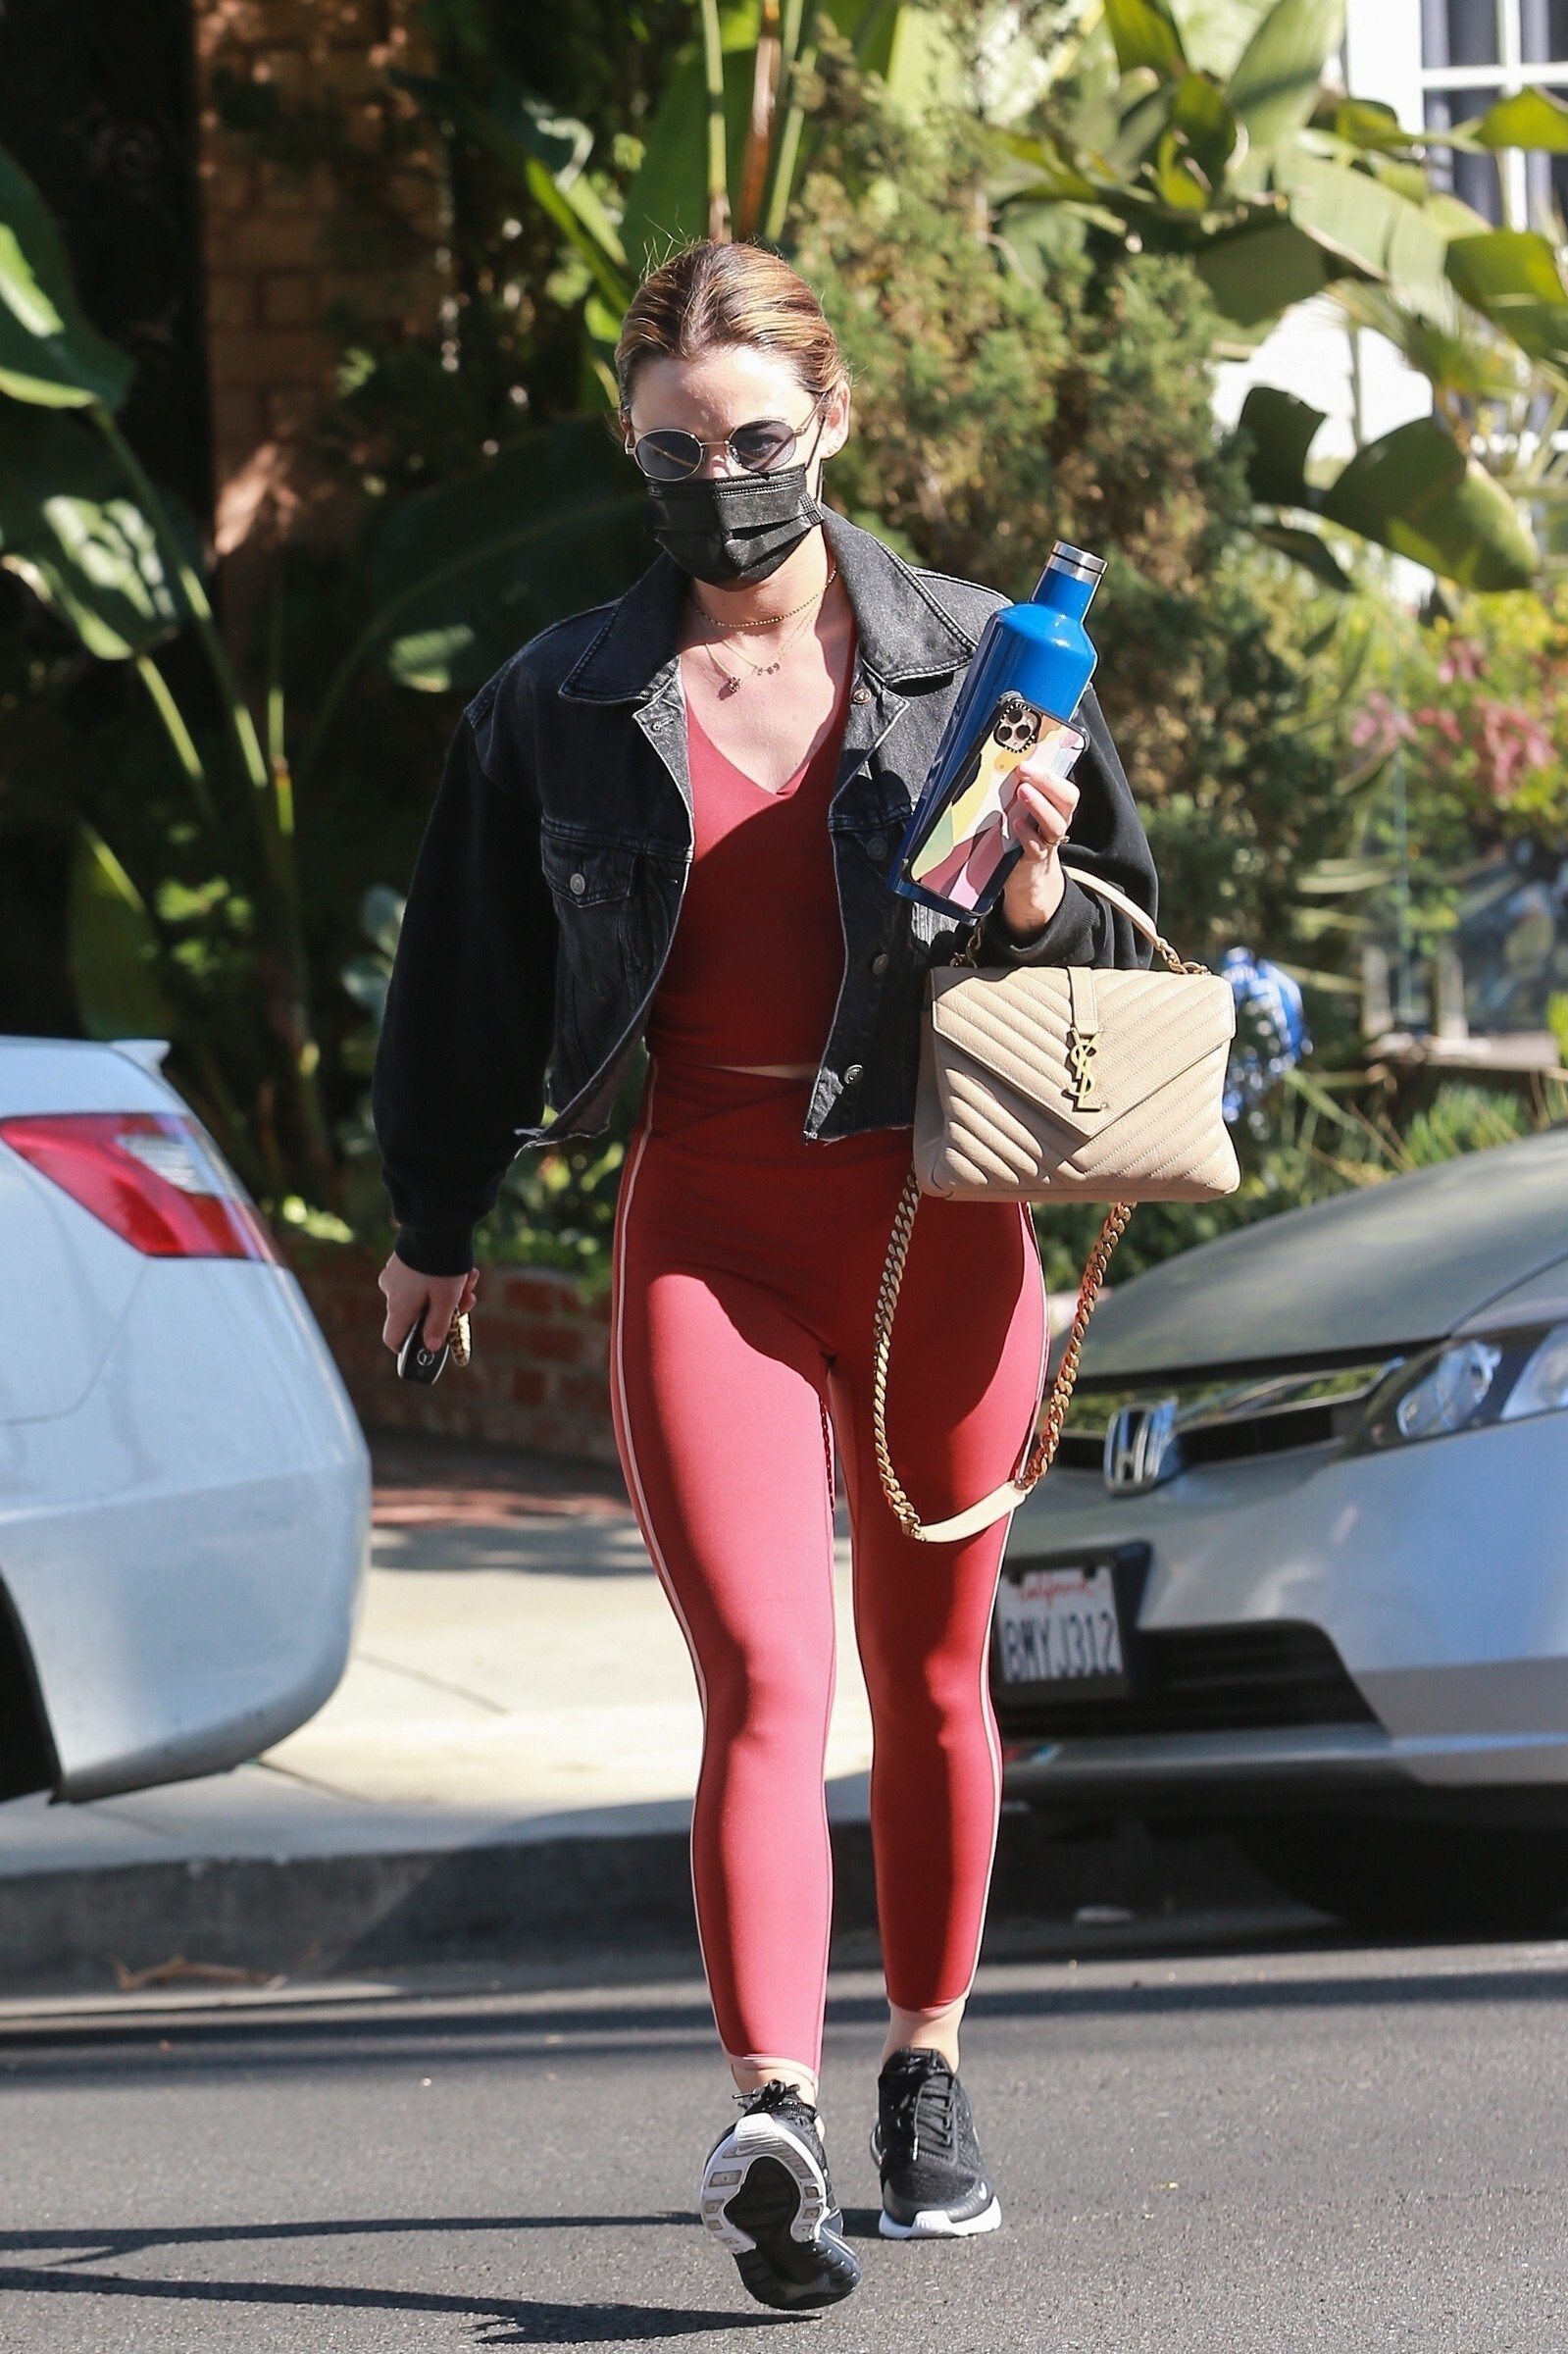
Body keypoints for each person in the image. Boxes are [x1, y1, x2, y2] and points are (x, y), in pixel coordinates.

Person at [372, 240, 1158, 2314]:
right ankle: (771, 2115)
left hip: (938, 1223)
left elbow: (1129, 951)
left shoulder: (988, 658)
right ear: (631, 447)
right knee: (758, 1673)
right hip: (705, 1230)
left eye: (753, 442)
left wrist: (1038, 881)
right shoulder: (559, 700)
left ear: (834, 425)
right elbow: (462, 983)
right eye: (672, 450)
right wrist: (435, 1224)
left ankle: (924, 2066)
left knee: (931, 1676)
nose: (716, 483)